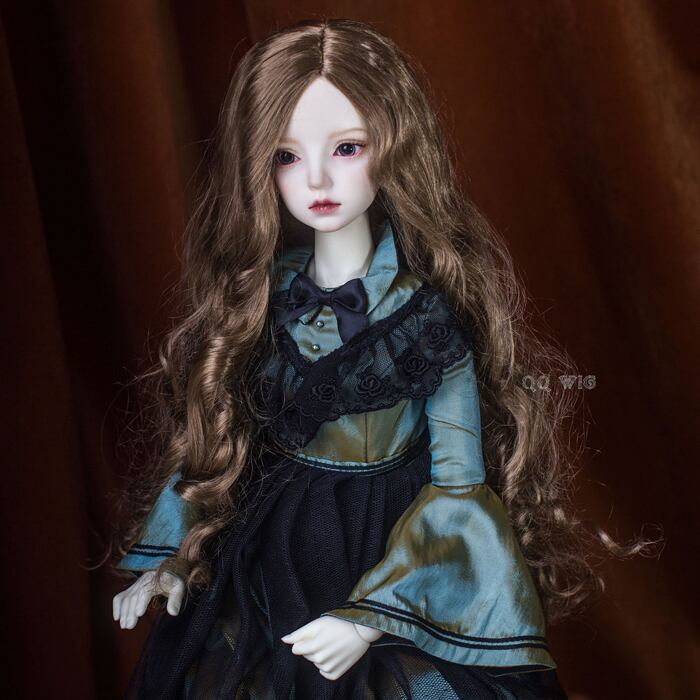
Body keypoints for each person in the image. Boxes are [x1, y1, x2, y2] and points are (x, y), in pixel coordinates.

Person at [110, 18, 647, 699]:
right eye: (286, 155)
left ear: (393, 145)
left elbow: (460, 487)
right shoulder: (258, 301)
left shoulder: (428, 320)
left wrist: (370, 619)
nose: (317, 177)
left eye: (347, 147)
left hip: (391, 552)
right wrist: (170, 560)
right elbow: (220, 447)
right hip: (267, 559)